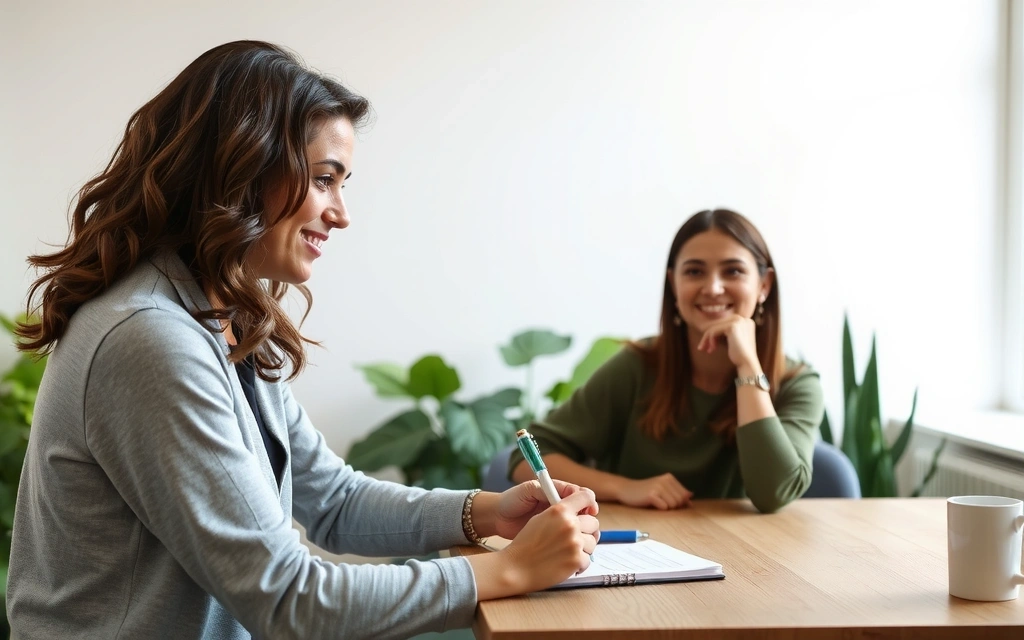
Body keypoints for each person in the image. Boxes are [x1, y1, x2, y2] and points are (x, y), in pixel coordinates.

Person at [7, 40, 599, 640]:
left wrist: (489, 512)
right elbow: (288, 600)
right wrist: (511, 569)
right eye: (323, 180)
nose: (340, 213)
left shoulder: (220, 316)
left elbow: (333, 500)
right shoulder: (151, 340)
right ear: (241, 170)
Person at [510, 209, 824, 514]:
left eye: (733, 271)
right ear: (674, 284)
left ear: (764, 286)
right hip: (640, 551)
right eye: (695, 271)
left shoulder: (797, 382)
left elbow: (774, 494)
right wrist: (624, 488)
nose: (713, 288)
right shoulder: (636, 366)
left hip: (749, 554)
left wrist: (747, 366)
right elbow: (525, 462)